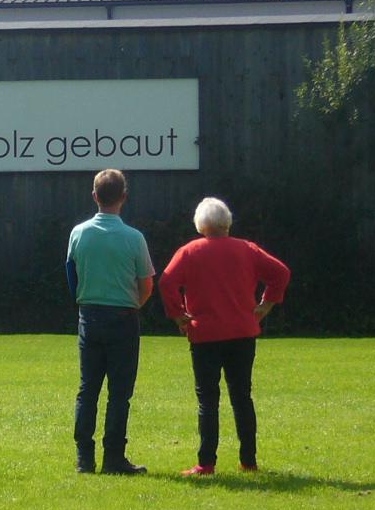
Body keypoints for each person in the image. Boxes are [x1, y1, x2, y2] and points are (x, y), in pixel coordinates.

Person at [158, 197, 290, 476]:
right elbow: (280, 273)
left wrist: (178, 314)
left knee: (208, 400)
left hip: (205, 334)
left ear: (200, 224)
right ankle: (248, 460)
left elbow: (167, 282)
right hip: (242, 332)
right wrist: (266, 304)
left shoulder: (190, 251)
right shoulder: (247, 249)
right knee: (242, 397)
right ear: (226, 222)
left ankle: (206, 463)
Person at [65, 169, 155, 475]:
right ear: (124, 198)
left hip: (89, 315)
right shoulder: (134, 238)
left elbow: (71, 275)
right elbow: (147, 284)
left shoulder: (79, 233)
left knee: (88, 388)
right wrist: (133, 305)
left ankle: (84, 458)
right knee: (119, 392)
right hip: (123, 317)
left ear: (94, 196)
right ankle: (114, 457)